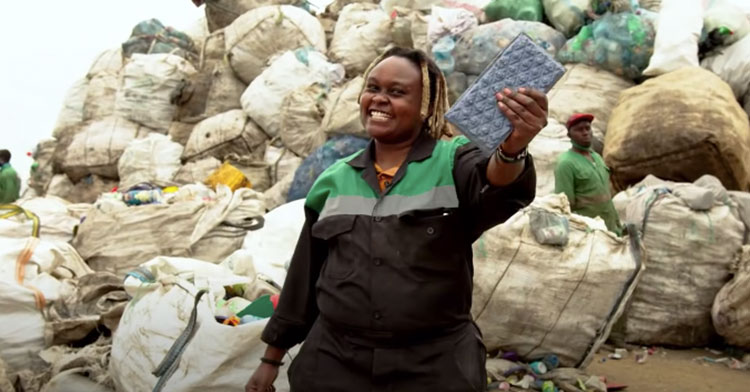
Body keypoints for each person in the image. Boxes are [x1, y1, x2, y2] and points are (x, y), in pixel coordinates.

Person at [246, 47, 548, 392]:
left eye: (397, 92)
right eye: (373, 88)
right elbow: (305, 275)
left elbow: (496, 183)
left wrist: (513, 147)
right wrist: (271, 360)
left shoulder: (454, 160)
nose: (379, 99)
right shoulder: (334, 179)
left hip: (434, 365)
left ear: (425, 106)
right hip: (336, 363)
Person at [554, 113, 622, 234]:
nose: (585, 132)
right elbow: (565, 205)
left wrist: (617, 224)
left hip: (611, 228)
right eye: (579, 130)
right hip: (590, 232)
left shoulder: (597, 158)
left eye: (587, 128)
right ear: (569, 135)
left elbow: (606, 195)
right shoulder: (566, 163)